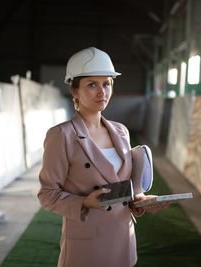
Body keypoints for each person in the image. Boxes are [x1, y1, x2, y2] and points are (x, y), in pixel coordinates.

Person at [38, 47, 169, 267]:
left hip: (122, 239)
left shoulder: (121, 131)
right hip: (87, 243)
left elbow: (122, 189)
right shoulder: (61, 135)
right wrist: (84, 202)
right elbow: (47, 195)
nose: (102, 92)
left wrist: (139, 200)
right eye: (92, 84)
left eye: (106, 83)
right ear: (75, 90)